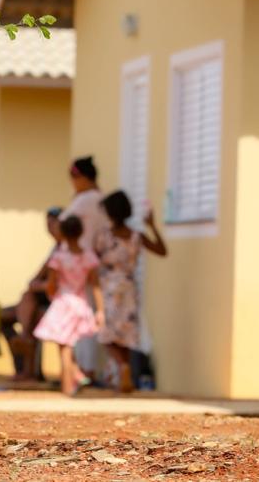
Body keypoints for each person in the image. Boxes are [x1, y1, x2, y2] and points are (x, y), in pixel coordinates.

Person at [95, 190, 168, 393]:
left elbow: (93, 261)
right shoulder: (136, 236)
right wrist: (152, 225)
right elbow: (162, 250)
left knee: (107, 333)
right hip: (129, 287)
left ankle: (122, 367)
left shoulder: (104, 236)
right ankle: (123, 377)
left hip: (108, 286)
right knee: (125, 333)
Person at [33, 215, 105, 396]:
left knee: (64, 347)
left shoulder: (59, 257)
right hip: (80, 303)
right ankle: (76, 375)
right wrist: (100, 310)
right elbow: (95, 285)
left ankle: (67, 387)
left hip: (63, 302)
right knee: (68, 344)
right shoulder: (89, 257)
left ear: (63, 234)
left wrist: (48, 292)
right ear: (81, 232)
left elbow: (51, 284)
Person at [1, 206, 62, 381]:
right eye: (48, 224)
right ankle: (23, 361)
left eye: (54, 224)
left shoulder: (66, 250)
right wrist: (39, 285)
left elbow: (52, 284)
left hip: (57, 301)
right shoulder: (54, 250)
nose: (50, 228)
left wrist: (40, 286)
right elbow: (36, 279)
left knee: (31, 304)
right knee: (3, 315)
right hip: (40, 298)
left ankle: (26, 339)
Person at [62, 156, 108, 381]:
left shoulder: (84, 201)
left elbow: (62, 225)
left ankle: (84, 369)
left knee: (80, 321)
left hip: (76, 270)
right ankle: (91, 369)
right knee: (92, 316)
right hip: (95, 264)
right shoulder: (101, 200)